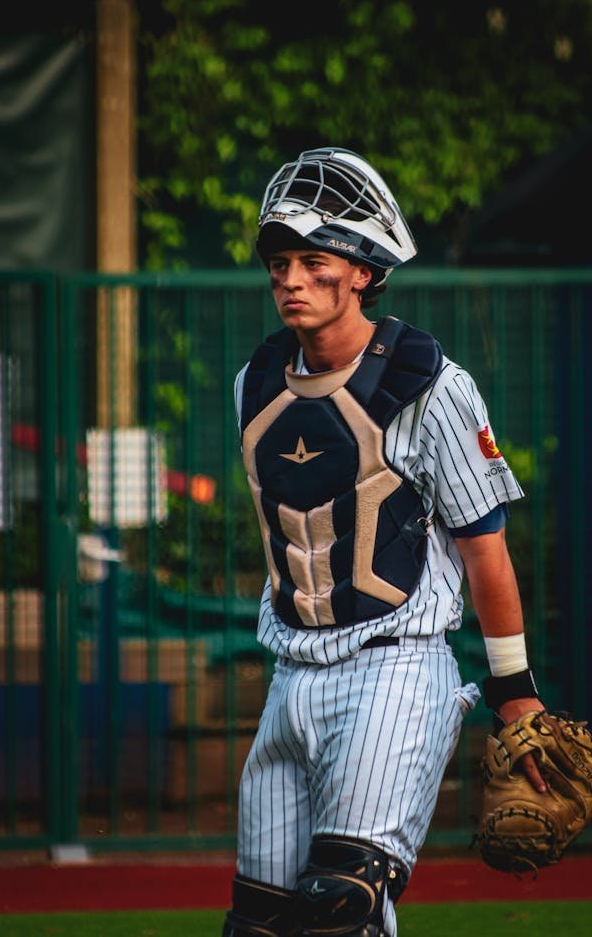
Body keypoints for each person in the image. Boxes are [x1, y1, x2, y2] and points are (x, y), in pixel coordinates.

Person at [222, 147, 546, 937]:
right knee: (260, 927)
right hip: (291, 677)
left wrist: (515, 692)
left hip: (395, 671)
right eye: (279, 262)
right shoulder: (255, 383)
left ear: (363, 271)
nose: (290, 279)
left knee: (342, 908)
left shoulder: (429, 383)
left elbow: (485, 550)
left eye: (313, 261)